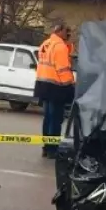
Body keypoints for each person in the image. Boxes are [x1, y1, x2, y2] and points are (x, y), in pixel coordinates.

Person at [36, 22, 75, 159]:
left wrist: (68, 45)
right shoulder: (60, 47)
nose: (68, 34)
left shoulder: (46, 44)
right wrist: (70, 86)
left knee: (47, 118)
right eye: (67, 31)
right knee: (56, 119)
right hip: (56, 87)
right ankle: (53, 149)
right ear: (60, 31)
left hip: (43, 84)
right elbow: (63, 69)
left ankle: (46, 148)